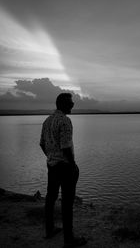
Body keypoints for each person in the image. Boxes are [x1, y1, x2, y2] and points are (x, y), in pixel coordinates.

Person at [40, 93, 87, 248]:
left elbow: (41, 144)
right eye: (70, 103)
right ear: (63, 104)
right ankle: (69, 239)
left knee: (50, 198)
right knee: (67, 202)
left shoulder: (47, 121)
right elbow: (66, 147)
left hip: (52, 165)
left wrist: (51, 157)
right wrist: (72, 164)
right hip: (65, 167)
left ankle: (49, 230)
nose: (72, 105)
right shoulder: (65, 121)